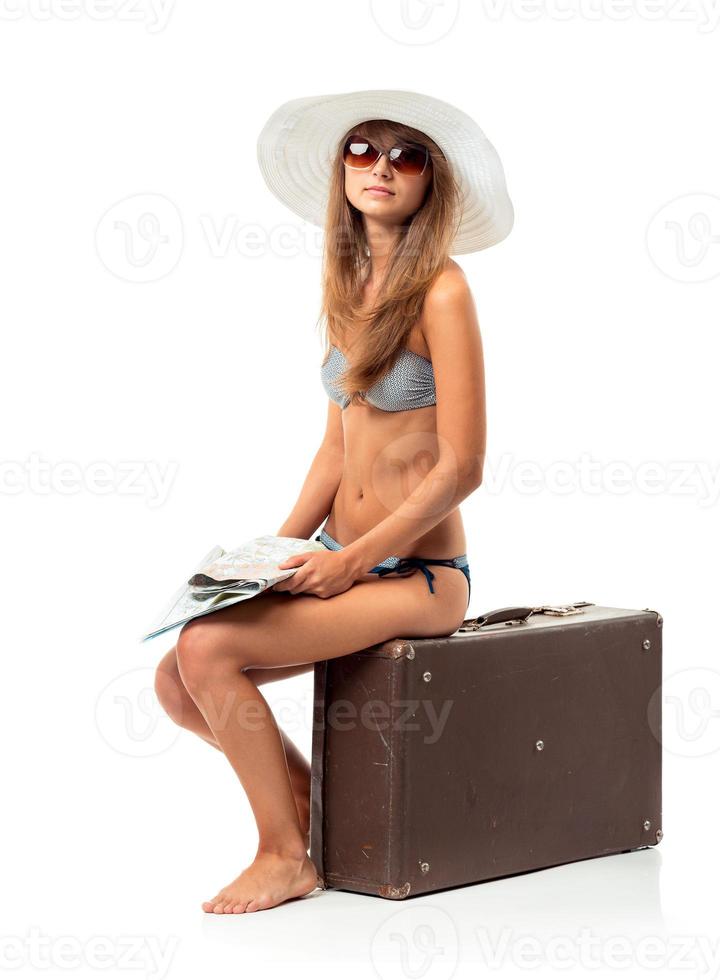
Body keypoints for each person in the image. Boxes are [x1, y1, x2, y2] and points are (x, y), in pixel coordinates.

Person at [153, 88, 513, 914]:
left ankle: (286, 856)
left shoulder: (443, 290)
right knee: (176, 683)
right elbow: (333, 445)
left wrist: (351, 559)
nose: (381, 167)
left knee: (208, 652)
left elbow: (462, 465)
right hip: (342, 560)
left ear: (432, 182)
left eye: (406, 155)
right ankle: (329, 810)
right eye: (363, 149)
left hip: (415, 578)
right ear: (341, 169)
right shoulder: (350, 279)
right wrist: (273, 553)